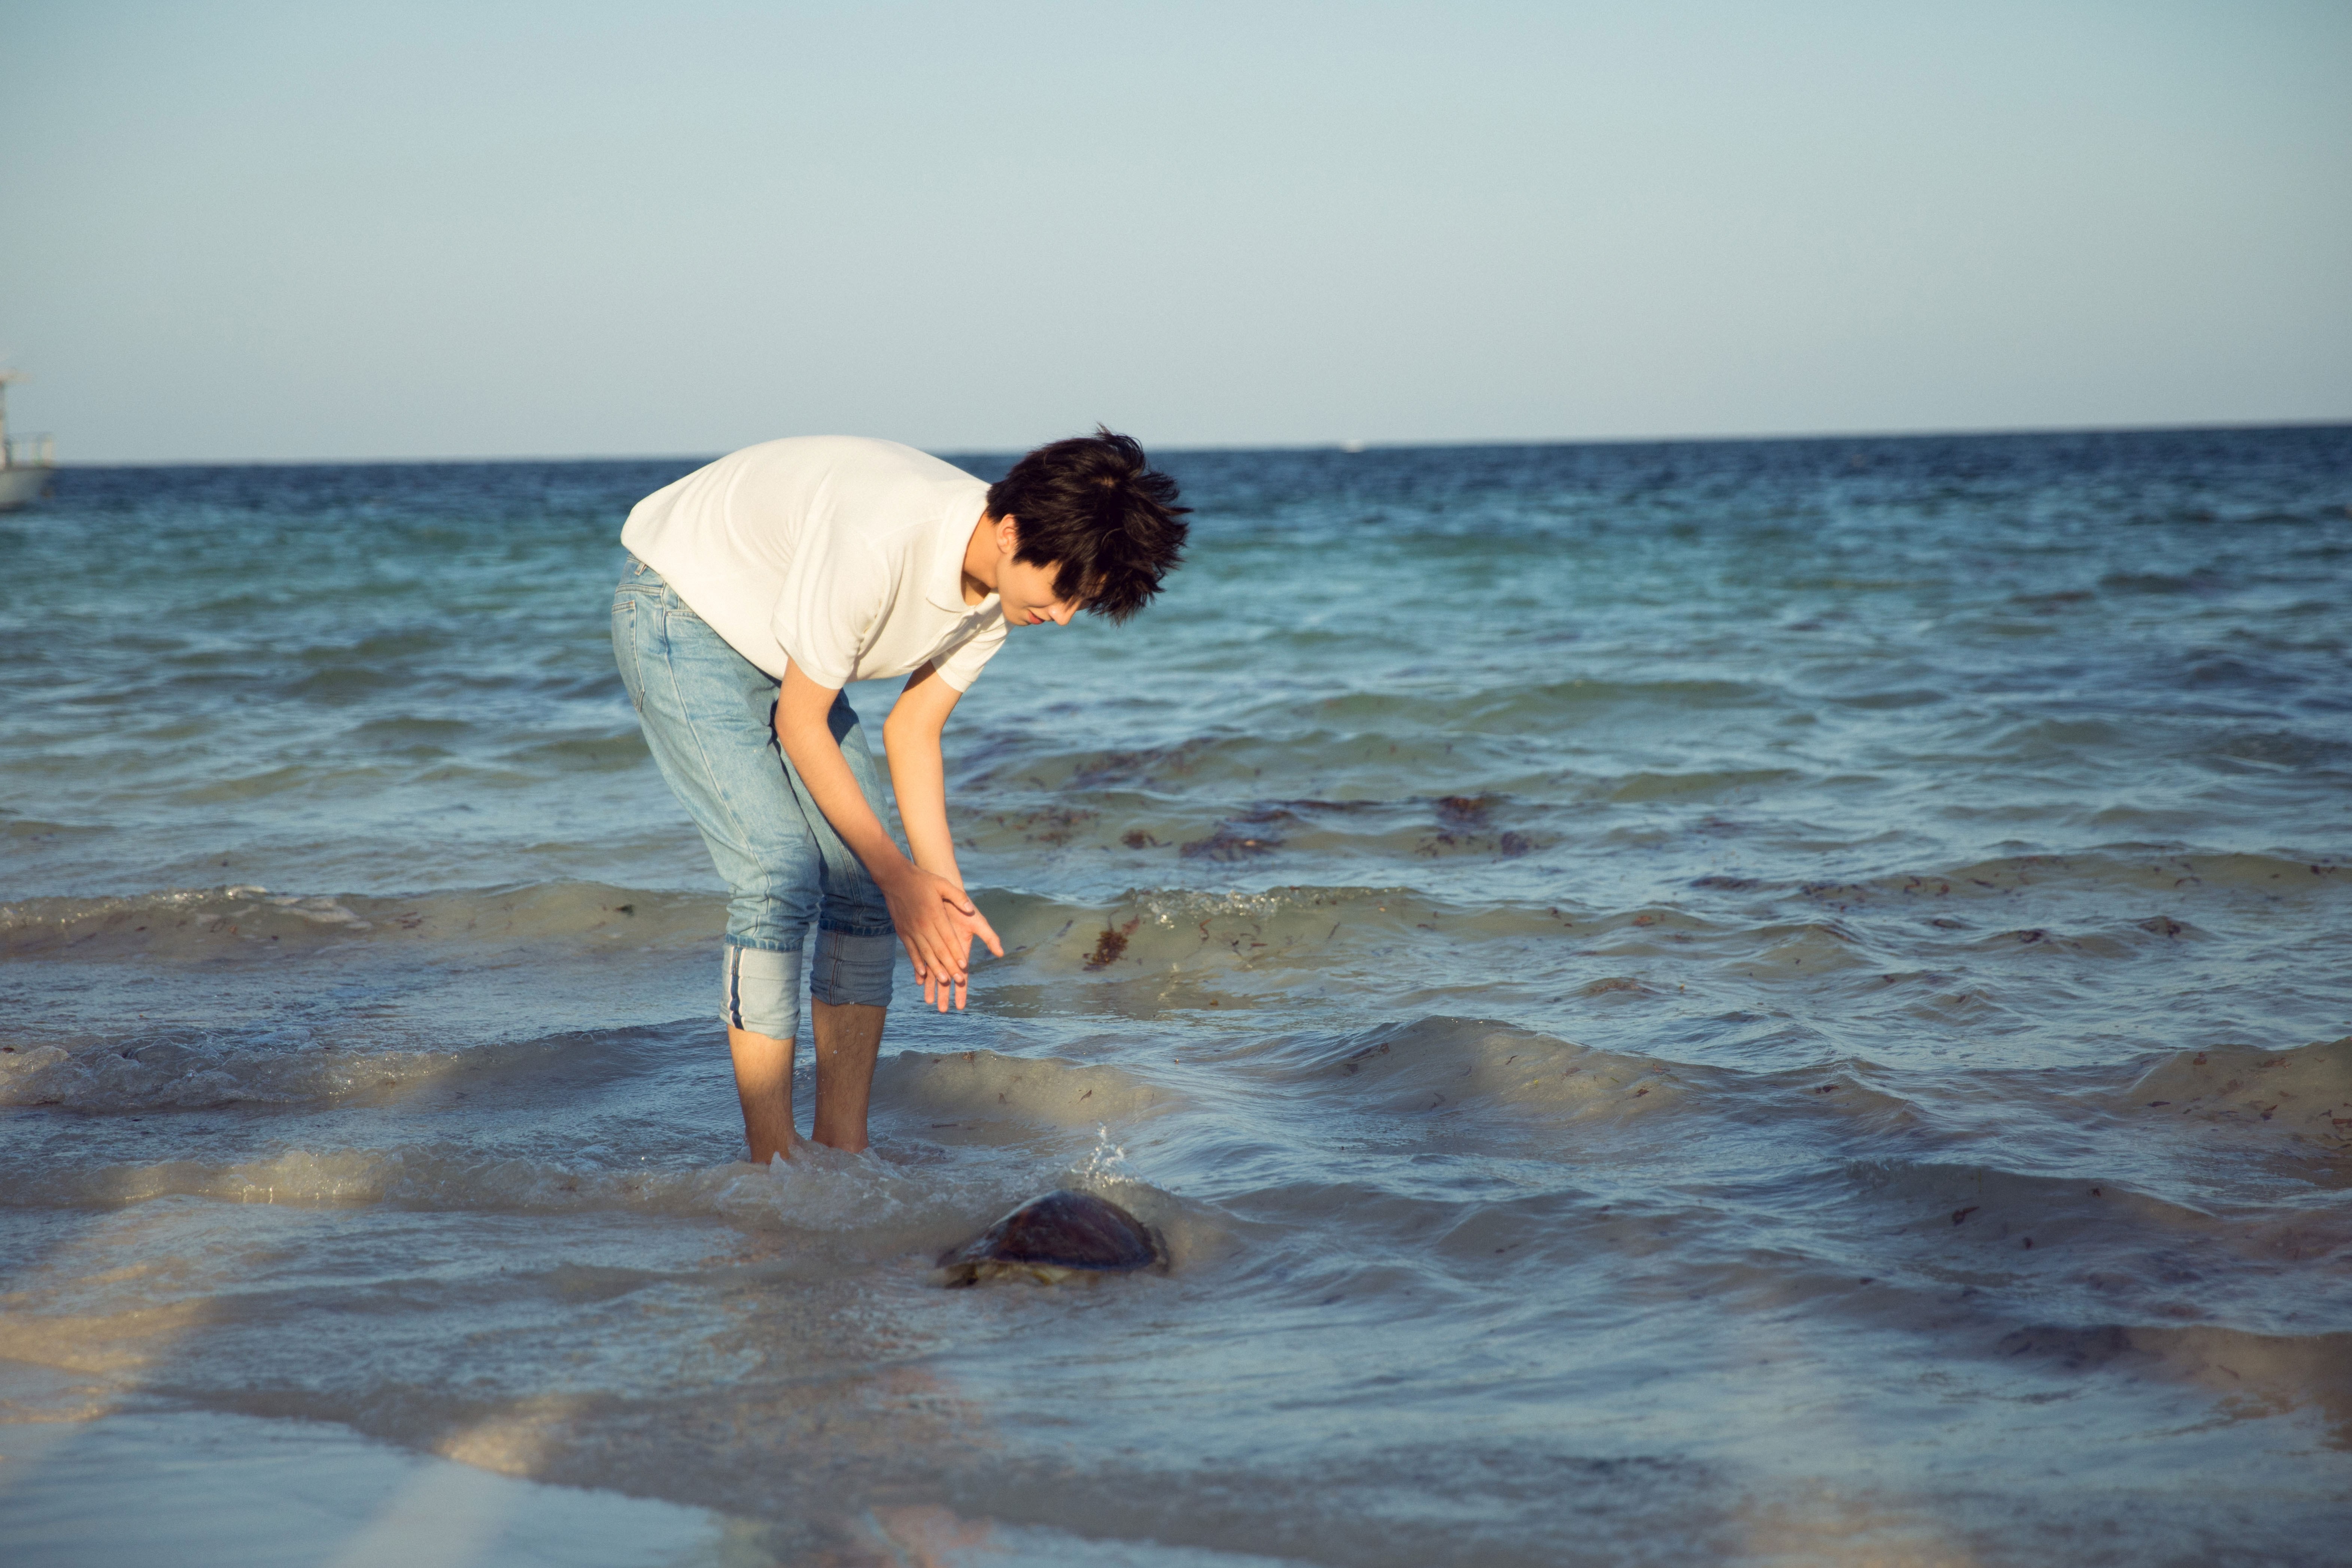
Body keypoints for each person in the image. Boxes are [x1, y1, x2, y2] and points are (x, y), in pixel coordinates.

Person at [611, 430, 1188, 1164]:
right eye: (1064, 590)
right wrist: (898, 872)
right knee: (777, 871)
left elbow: (915, 729)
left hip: (783, 645)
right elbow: (800, 722)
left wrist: (938, 886)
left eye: (1085, 600)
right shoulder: (884, 541)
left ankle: (844, 1154)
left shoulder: (998, 594)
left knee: (865, 894)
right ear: (1012, 532)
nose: (1066, 616)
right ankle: (772, 1165)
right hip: (681, 608)